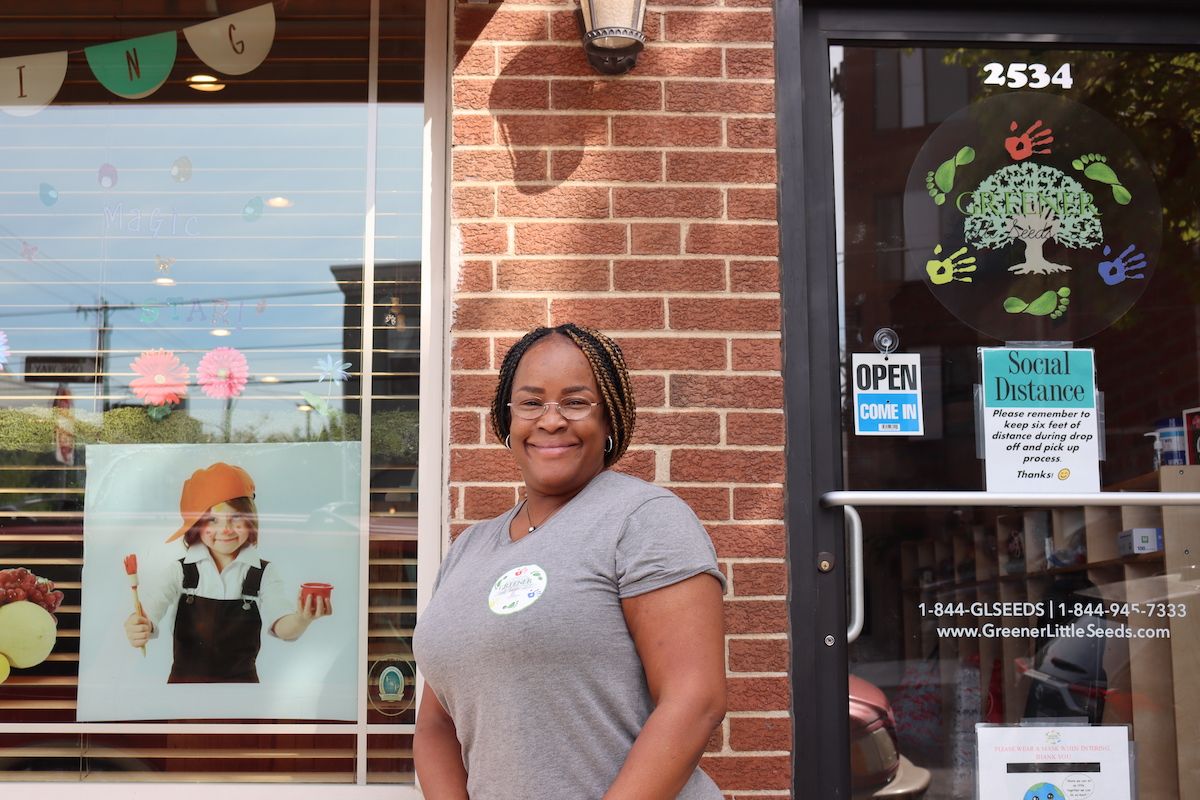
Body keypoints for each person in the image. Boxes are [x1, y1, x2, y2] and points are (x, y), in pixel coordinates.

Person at [412, 324, 727, 799]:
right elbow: (437, 723)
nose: (551, 420)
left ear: (609, 419)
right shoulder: (469, 549)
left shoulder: (642, 520)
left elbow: (694, 700)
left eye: (576, 402)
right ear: (508, 418)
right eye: (531, 402)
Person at [123, 462, 331, 683]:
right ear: (195, 525)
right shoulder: (179, 571)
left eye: (236, 518)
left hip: (243, 694)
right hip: (185, 692)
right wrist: (136, 626)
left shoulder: (263, 573)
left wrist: (301, 618)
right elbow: (148, 612)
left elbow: (283, 627)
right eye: (212, 519)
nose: (225, 530)